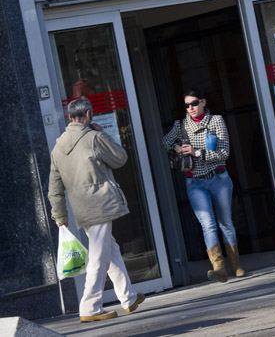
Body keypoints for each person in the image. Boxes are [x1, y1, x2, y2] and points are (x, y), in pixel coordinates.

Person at [48, 97, 145, 323]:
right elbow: (120, 158)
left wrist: (60, 215)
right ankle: (90, 306)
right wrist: (104, 134)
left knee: (110, 249)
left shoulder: (58, 148)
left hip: (81, 208)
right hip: (100, 203)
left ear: (69, 118)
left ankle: (128, 298)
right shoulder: (94, 137)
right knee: (99, 257)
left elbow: (54, 187)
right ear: (89, 115)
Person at [162, 87, 245, 283]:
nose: (190, 108)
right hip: (195, 182)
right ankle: (219, 268)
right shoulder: (180, 125)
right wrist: (177, 147)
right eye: (187, 105)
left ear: (203, 102)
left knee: (226, 222)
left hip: (219, 179)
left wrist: (196, 152)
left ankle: (236, 264)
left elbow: (224, 153)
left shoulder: (216, 121)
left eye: (194, 103)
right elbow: (165, 142)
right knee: (208, 225)